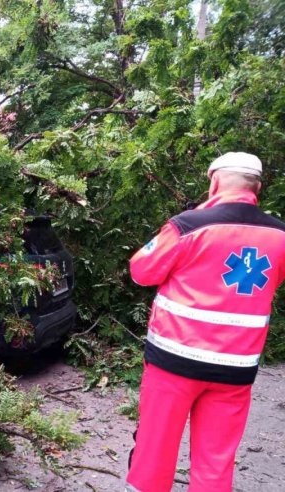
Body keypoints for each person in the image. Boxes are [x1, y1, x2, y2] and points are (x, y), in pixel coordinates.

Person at [125, 152, 285, 492]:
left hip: (174, 363)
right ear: (258, 186)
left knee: (154, 452)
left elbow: (141, 271)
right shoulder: (281, 236)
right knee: (215, 463)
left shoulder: (190, 225)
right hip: (236, 369)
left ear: (214, 181)